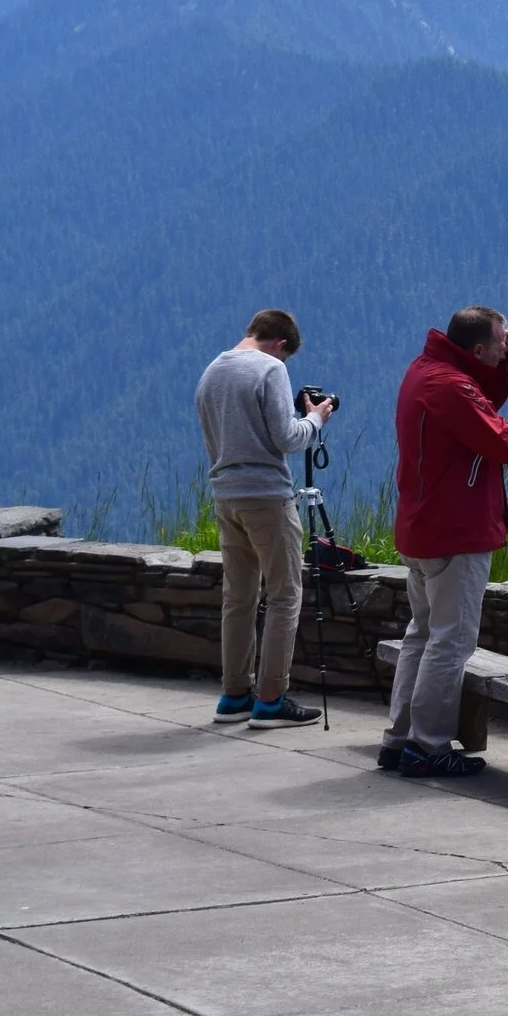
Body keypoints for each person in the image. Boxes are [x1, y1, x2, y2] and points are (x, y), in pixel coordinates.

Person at [381, 305, 508, 778]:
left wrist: (501, 368)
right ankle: (429, 745)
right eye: (501, 343)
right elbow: (502, 442)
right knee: (451, 641)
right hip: (455, 532)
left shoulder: (429, 370)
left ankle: (399, 740)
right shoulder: (450, 386)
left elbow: (478, 405)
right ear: (476, 349)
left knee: (422, 634)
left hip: (422, 527)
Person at [195, 309, 336, 730]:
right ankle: (272, 700)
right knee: (284, 595)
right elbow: (287, 438)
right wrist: (316, 418)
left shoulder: (212, 371)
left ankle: (234, 695)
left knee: (238, 598)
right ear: (280, 344)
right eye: (286, 355)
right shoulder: (270, 369)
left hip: (226, 496)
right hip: (266, 497)